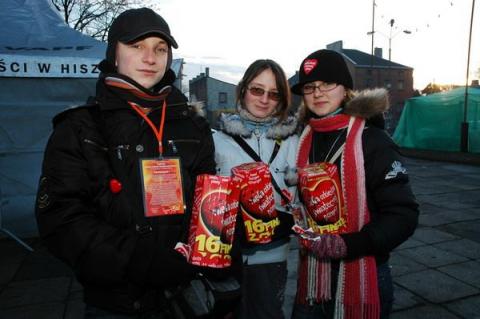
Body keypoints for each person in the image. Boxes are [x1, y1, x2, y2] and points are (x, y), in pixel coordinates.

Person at [35, 8, 223, 318]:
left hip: (186, 294)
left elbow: (208, 201)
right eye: (137, 46)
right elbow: (61, 220)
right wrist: (140, 261)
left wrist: (222, 241)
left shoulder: (192, 125)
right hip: (116, 303)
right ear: (114, 53)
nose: (150, 57)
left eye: (160, 49)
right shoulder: (80, 129)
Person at [290, 49, 419, 319]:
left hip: (364, 269)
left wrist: (350, 244)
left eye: (327, 84)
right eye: (310, 87)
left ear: (345, 89)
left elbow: (403, 215)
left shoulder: (373, 140)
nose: (318, 93)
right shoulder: (303, 141)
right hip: (314, 274)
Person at [213, 59, 298, 318]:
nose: (264, 99)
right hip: (226, 257)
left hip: (272, 256)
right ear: (243, 90)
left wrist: (289, 218)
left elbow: (304, 199)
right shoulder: (215, 140)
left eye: (273, 93)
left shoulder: (294, 141)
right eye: (257, 90)